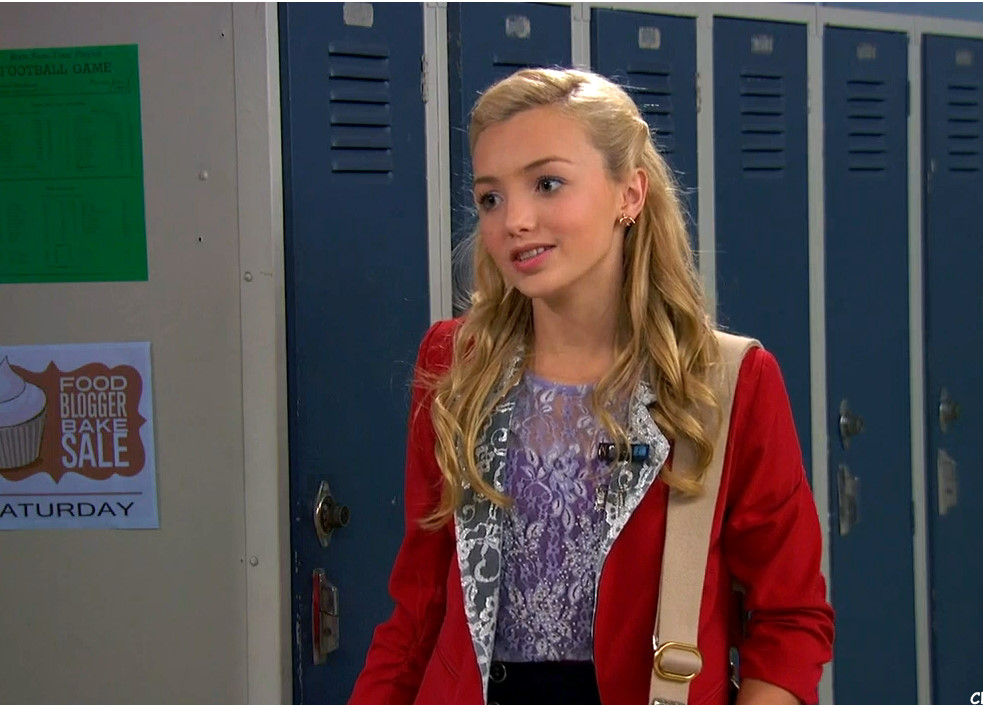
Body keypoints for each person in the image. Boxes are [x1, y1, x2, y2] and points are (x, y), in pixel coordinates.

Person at [350, 68, 833, 705]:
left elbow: (789, 618)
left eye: (547, 184)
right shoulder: (455, 363)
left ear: (629, 194)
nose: (514, 220)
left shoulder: (724, 379)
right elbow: (417, 613)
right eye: (491, 198)